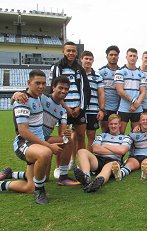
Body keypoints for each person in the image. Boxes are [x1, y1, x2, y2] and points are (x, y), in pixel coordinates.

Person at [1, 70, 59, 204]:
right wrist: (49, 146)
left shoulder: (38, 96)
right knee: (45, 153)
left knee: (29, 187)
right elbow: (24, 132)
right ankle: (40, 191)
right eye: (37, 83)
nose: (41, 86)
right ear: (29, 83)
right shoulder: (22, 101)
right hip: (24, 144)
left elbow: (55, 98)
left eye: (43, 83)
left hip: (37, 143)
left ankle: (11, 175)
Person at [9, 77, 80, 185]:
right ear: (53, 87)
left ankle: (63, 176)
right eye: (60, 88)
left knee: (68, 140)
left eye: (66, 89)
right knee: (40, 177)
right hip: (30, 139)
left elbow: (62, 132)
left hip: (44, 138)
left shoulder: (63, 111)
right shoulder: (42, 98)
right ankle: (13, 174)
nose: (63, 91)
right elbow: (26, 95)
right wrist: (16, 94)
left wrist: (66, 133)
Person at [50, 41, 90, 169]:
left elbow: (85, 90)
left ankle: (81, 165)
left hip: (78, 109)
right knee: (63, 138)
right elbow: (55, 89)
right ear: (63, 51)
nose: (71, 53)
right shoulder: (57, 67)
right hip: (63, 109)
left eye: (73, 51)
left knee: (80, 137)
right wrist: (66, 108)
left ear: (76, 52)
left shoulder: (80, 69)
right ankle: (58, 166)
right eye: (68, 50)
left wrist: (80, 107)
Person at [73, 114, 129, 193]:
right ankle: (86, 177)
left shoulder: (125, 138)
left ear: (119, 125)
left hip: (113, 161)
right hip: (98, 160)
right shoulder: (101, 135)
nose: (113, 126)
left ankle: (94, 184)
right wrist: (115, 150)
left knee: (109, 167)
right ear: (108, 125)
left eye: (115, 124)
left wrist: (105, 145)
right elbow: (95, 149)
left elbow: (122, 151)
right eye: (111, 124)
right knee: (81, 151)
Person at [115, 48, 147, 134]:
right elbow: (119, 90)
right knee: (121, 132)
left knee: (136, 133)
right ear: (126, 57)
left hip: (137, 108)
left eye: (134, 56)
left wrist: (136, 104)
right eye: (130, 56)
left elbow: (143, 91)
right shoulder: (120, 71)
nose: (132, 58)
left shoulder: (141, 73)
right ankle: (122, 148)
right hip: (124, 107)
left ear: (137, 58)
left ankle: (133, 148)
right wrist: (133, 101)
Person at [81, 51, 105, 151]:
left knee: (91, 135)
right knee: (77, 136)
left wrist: (101, 109)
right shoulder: (77, 74)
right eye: (86, 58)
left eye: (90, 59)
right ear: (81, 59)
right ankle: (73, 160)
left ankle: (88, 159)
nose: (88, 61)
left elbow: (101, 93)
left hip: (93, 110)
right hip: (79, 110)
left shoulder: (97, 76)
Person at [98, 45, 121, 132]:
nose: (113, 57)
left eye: (115, 55)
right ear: (107, 56)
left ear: (118, 57)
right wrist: (101, 107)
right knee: (105, 131)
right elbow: (99, 91)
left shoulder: (122, 71)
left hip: (119, 108)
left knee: (117, 132)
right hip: (105, 108)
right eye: (111, 55)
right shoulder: (101, 72)